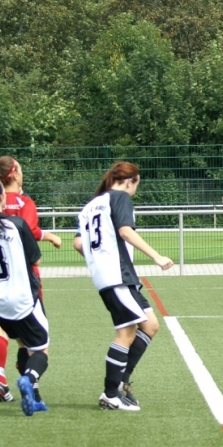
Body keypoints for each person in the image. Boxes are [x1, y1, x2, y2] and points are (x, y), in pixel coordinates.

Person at [74, 162, 174, 412]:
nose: (135, 190)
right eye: (137, 184)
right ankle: (111, 394)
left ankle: (121, 380)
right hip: (116, 276)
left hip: (114, 276)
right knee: (126, 334)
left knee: (150, 325)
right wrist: (157, 256)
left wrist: (98, 258)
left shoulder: (90, 205)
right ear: (130, 181)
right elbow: (126, 231)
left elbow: (78, 243)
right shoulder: (119, 197)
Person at [0, 177, 51, 416]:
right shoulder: (15, 224)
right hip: (23, 298)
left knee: (23, 343)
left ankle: (34, 396)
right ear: (0, 197)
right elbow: (35, 259)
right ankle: (29, 379)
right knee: (42, 351)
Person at [0, 157, 61, 403]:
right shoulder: (25, 202)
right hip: (25, 283)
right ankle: (31, 383)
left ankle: (0, 379)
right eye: (22, 169)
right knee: (38, 343)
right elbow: (30, 229)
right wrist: (49, 236)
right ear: (14, 174)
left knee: (3, 334)